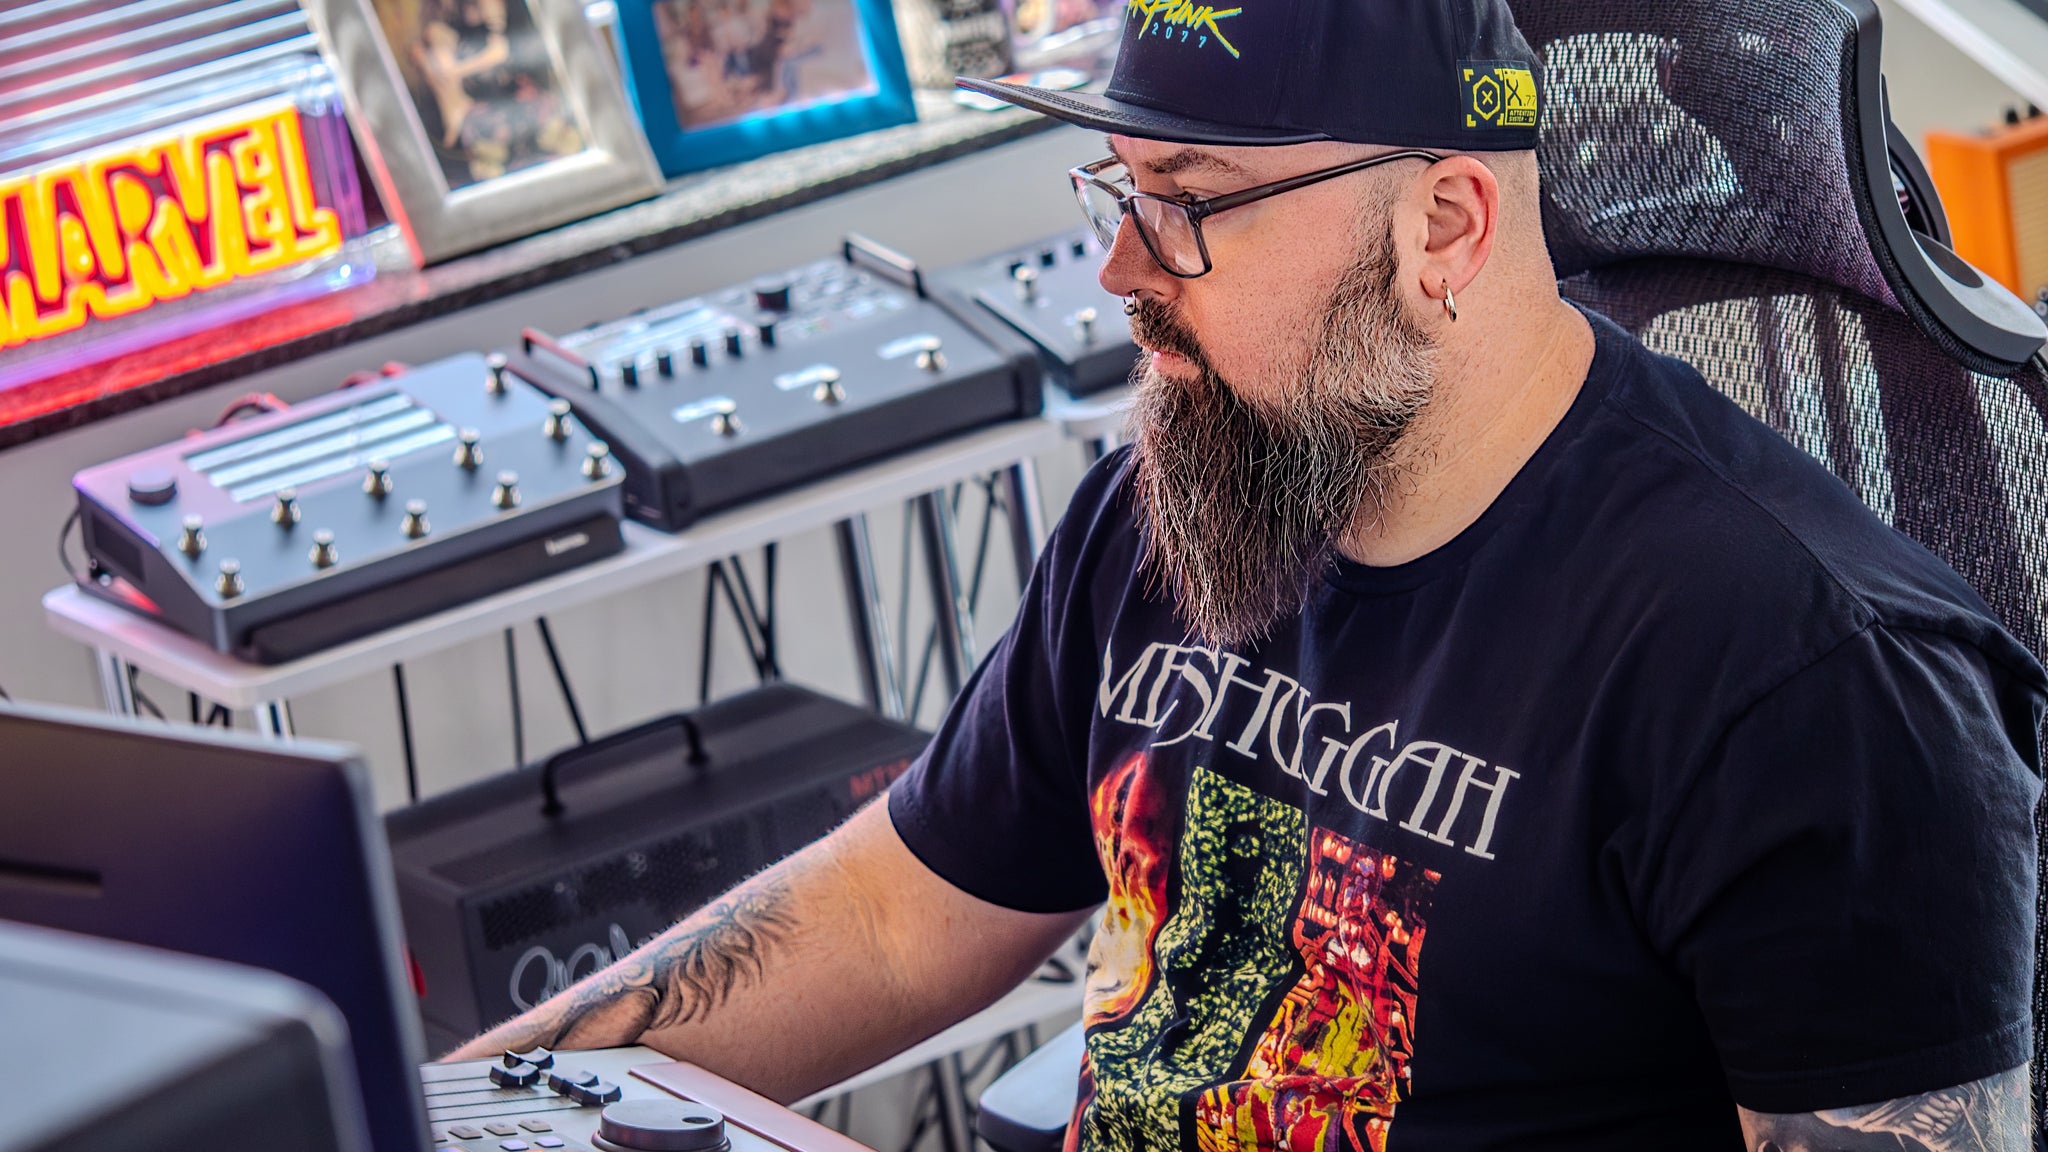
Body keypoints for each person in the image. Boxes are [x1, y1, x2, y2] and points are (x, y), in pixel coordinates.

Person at [449, 0, 2044, 1147]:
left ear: (1445, 229)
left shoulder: (1805, 677)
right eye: (1125, 192)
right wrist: (458, 1102)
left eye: (1193, 209)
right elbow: (890, 914)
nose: (1123, 273)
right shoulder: (1184, 503)